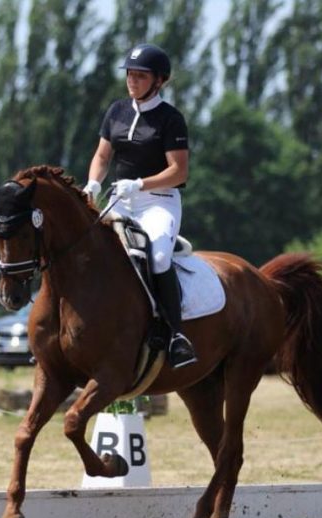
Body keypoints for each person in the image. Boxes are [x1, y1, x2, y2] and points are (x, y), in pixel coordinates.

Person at [82, 42, 197, 369]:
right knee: (87, 248)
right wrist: (93, 183)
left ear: (159, 80)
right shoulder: (117, 111)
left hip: (158, 201)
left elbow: (179, 171)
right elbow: (103, 156)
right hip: (121, 199)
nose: (132, 80)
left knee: (159, 257)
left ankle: (175, 335)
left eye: (140, 76)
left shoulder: (170, 119)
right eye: (130, 74)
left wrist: (141, 183)